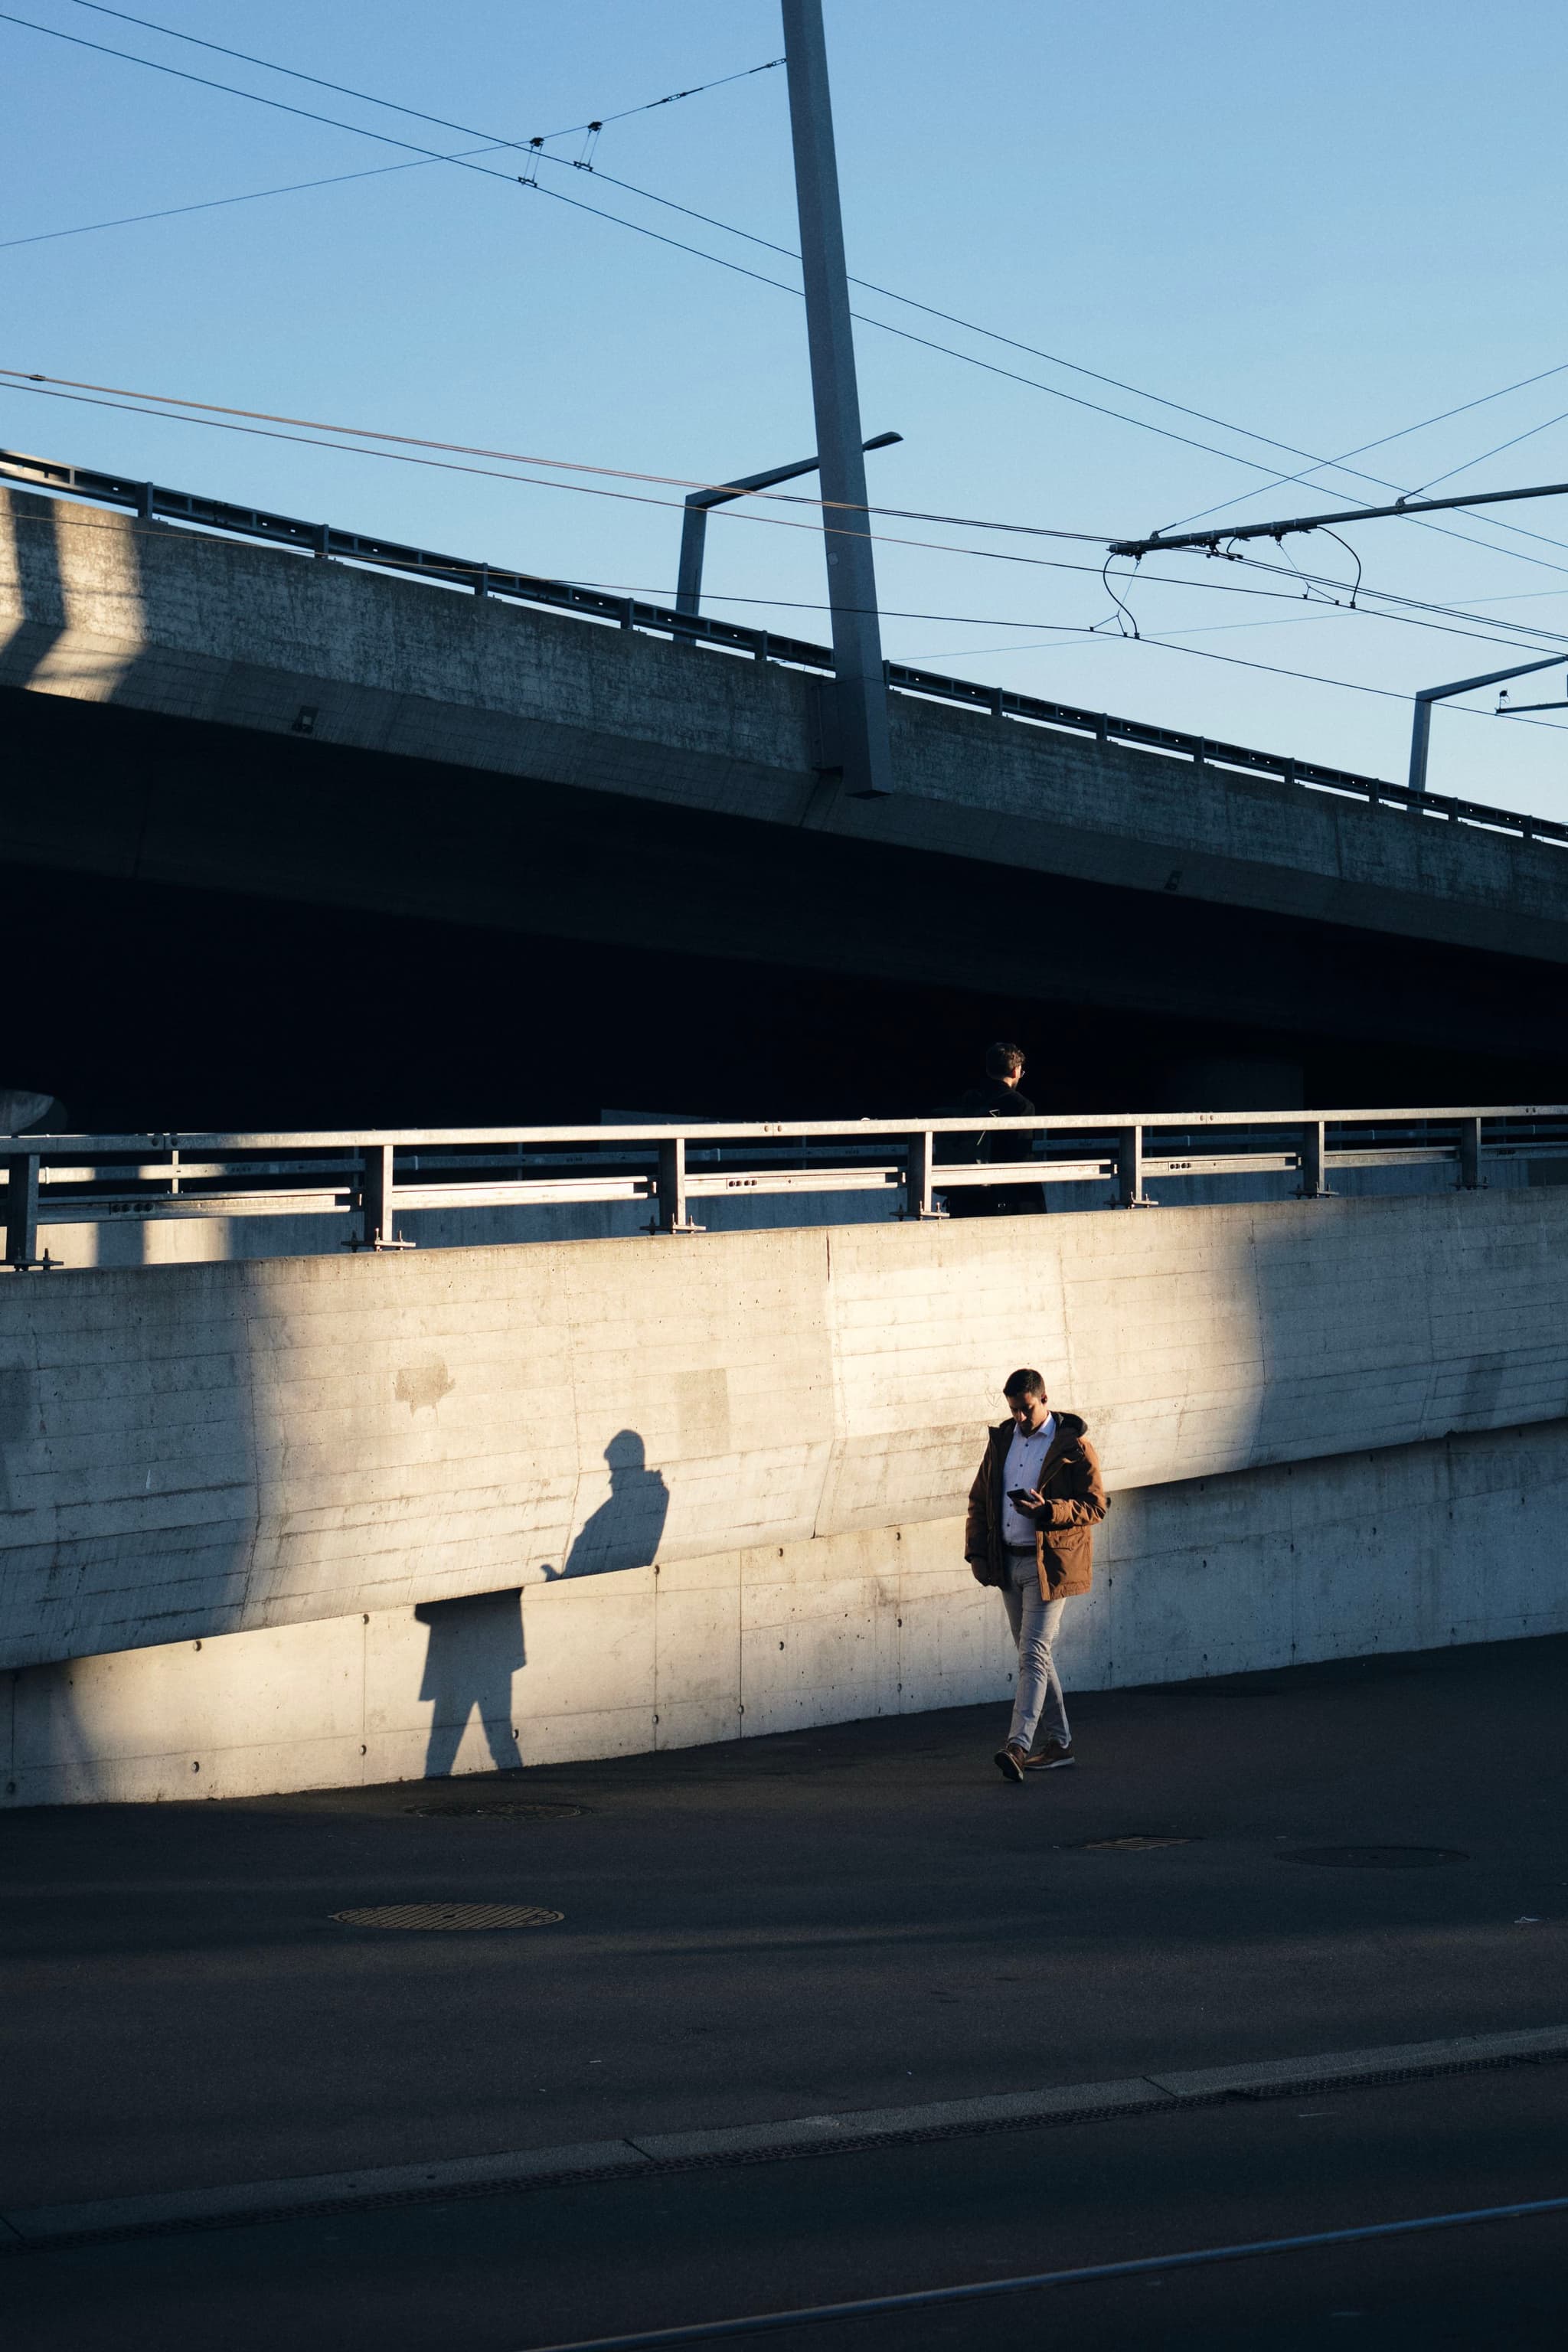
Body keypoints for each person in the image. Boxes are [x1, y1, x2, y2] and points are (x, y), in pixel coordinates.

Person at [965, 1369, 1106, 1781]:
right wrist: (977, 1553)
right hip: (1008, 1562)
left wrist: (1048, 1510)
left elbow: (1095, 1506)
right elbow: (979, 1500)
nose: (1020, 1419)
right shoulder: (1003, 1441)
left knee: (1032, 1655)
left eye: (1026, 1410)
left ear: (1045, 1399)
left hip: (1050, 1563)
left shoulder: (1074, 1447)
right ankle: (1060, 1744)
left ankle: (1018, 1745)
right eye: (1013, 1411)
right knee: (1035, 1657)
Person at [942, 1043, 1044, 1217]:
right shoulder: (1020, 1105)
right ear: (1015, 1071)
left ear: (989, 1070)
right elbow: (1021, 1155)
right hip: (1004, 1197)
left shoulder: (969, 1099)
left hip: (965, 1193)